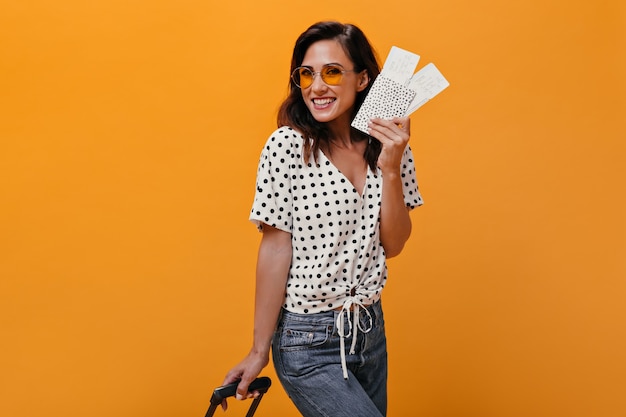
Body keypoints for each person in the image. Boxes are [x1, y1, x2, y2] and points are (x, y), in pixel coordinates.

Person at [222, 20, 423, 417]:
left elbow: (394, 245)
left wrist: (390, 168)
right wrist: (259, 350)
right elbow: (276, 247)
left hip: (369, 331)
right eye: (306, 74)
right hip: (308, 339)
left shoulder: (390, 148)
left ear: (363, 78)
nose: (317, 87)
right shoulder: (287, 146)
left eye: (332, 72)